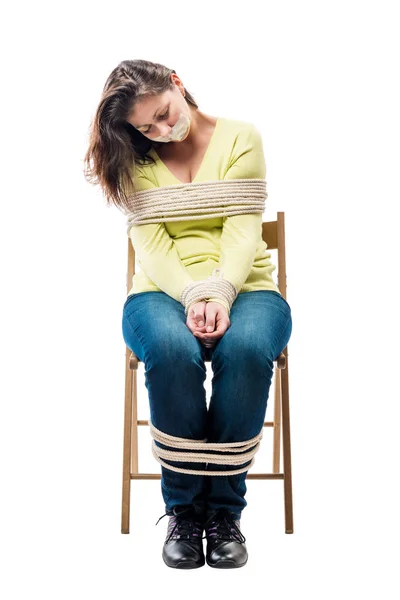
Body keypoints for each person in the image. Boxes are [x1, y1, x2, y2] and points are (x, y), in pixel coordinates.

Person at [84, 59, 293, 569]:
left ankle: (224, 515)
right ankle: (183, 512)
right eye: (145, 128)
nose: (160, 131)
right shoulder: (134, 160)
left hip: (247, 287)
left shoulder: (242, 137)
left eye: (162, 113)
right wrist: (194, 297)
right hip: (159, 292)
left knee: (244, 347)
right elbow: (151, 246)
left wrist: (220, 295)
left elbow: (243, 231)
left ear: (177, 84)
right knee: (173, 351)